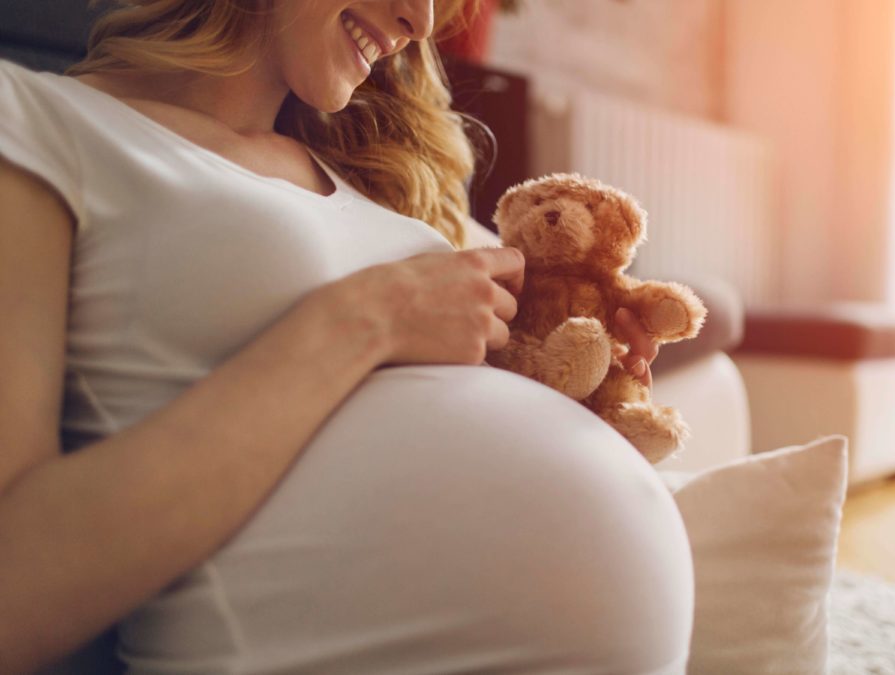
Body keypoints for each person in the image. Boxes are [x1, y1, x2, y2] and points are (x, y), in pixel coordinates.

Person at [0, 0, 695, 672]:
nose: (421, 20)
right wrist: (365, 319)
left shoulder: (368, 173)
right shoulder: (37, 119)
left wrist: (581, 358)